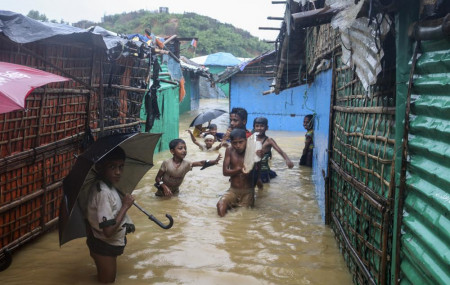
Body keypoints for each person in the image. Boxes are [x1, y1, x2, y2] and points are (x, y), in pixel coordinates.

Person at [85, 146, 135, 283]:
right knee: (107, 282)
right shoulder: (103, 192)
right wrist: (125, 206)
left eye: (121, 166)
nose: (118, 172)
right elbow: (108, 231)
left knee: (103, 279)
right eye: (112, 167)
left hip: (102, 244)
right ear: (101, 167)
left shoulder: (110, 187)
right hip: (103, 247)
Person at [155, 139, 221, 197]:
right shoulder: (166, 163)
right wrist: (164, 186)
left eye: (185, 148)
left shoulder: (187, 164)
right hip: (162, 192)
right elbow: (157, 178)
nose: (184, 150)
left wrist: (214, 161)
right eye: (180, 148)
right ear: (172, 151)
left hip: (175, 193)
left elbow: (201, 163)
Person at [217, 129, 255, 217]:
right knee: (220, 205)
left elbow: (257, 172)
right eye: (235, 143)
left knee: (242, 215)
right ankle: (221, 224)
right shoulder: (229, 150)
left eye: (241, 142)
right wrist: (239, 170)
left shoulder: (252, 151)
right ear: (231, 142)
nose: (238, 145)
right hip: (233, 190)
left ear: (246, 141)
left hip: (247, 192)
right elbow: (225, 172)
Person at [253, 117, 294, 187]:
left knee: (264, 190)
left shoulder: (269, 141)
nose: (259, 128)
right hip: (252, 170)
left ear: (266, 128)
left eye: (262, 126)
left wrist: (287, 160)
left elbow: (280, 151)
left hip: (263, 171)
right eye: (257, 126)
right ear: (254, 127)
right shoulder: (251, 139)